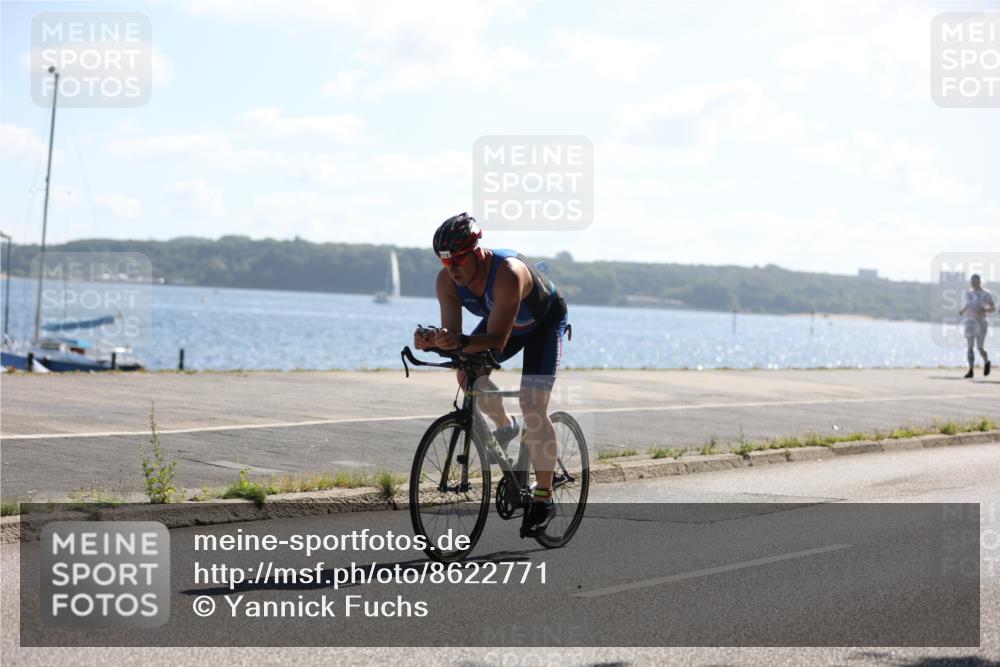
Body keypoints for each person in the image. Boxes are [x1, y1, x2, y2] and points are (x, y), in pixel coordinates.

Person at [413, 212, 569, 536]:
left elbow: (496, 342)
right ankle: (506, 426)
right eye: (445, 262)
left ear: (477, 252)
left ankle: (544, 497)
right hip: (507, 320)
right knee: (466, 374)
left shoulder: (507, 274)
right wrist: (433, 341)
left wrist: (459, 341)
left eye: (457, 260)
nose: (452, 269)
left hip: (543, 324)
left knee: (533, 407)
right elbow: (455, 339)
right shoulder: (447, 282)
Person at [959, 273, 995, 378]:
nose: (973, 284)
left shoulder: (986, 294)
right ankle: (971, 370)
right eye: (972, 282)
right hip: (970, 321)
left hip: (981, 322)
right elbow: (968, 304)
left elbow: (993, 308)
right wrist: (963, 310)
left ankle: (986, 361)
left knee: (980, 347)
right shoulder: (968, 293)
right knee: (970, 346)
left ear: (979, 282)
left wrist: (985, 309)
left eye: (975, 282)